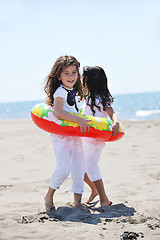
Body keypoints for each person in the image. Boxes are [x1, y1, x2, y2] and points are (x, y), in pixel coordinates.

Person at [43, 55, 90, 211]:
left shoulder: (74, 92)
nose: (71, 77)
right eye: (66, 73)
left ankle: (77, 203)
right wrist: (79, 120)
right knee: (63, 169)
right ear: (59, 76)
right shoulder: (60, 92)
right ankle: (49, 196)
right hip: (62, 136)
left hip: (75, 135)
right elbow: (58, 113)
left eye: (74, 72)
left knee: (78, 168)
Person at [82, 66, 120, 207]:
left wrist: (115, 122)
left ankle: (104, 199)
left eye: (85, 80)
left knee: (91, 168)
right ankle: (94, 189)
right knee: (78, 169)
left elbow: (111, 113)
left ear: (93, 81)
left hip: (95, 139)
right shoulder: (87, 97)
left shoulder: (101, 98)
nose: (83, 83)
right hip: (85, 138)